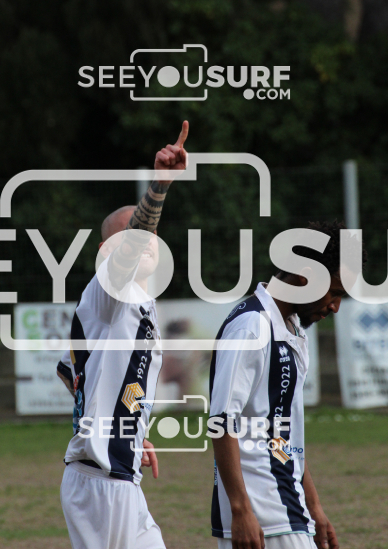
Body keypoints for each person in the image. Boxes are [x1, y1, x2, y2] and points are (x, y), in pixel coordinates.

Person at [56, 121, 189, 549]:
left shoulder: (136, 303)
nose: (143, 239)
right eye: (129, 234)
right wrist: (160, 185)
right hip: (101, 483)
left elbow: (68, 372)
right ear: (106, 253)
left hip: (117, 477)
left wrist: (125, 427)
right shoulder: (109, 290)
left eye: (148, 233)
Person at [209, 221, 367, 549]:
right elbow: (221, 421)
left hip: (286, 505)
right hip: (263, 510)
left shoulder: (291, 329)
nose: (335, 306)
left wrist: (314, 507)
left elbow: (286, 434)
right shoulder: (252, 326)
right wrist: (241, 510)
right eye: (335, 292)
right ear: (305, 277)